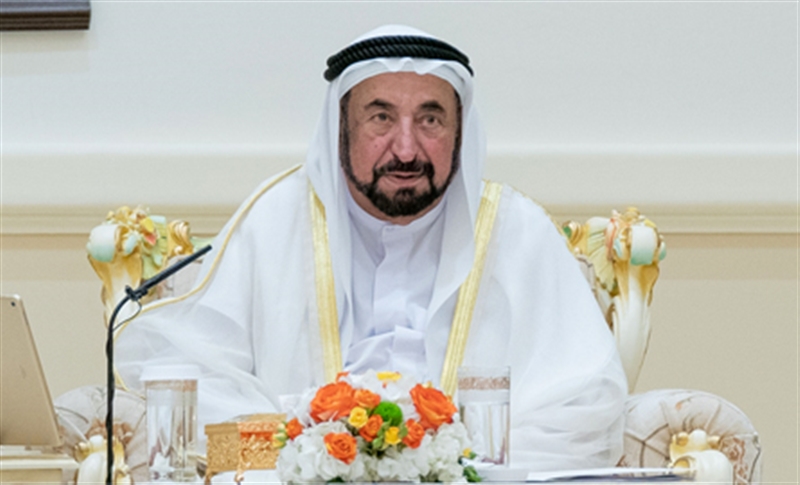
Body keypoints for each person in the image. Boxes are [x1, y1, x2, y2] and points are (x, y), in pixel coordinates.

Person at [116, 25, 627, 470]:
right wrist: (309, 451)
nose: (406, 149)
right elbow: (190, 377)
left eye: (430, 120)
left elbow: (585, 404)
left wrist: (449, 463)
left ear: (459, 132)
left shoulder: (517, 231)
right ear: (340, 127)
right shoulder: (274, 220)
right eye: (381, 118)